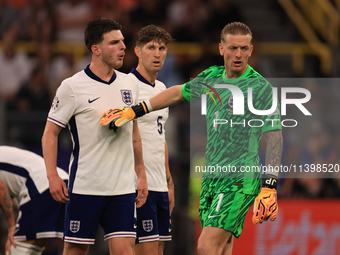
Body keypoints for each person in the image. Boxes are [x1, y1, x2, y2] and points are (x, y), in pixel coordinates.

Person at [101, 22, 283, 255]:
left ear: (251, 50)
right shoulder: (212, 77)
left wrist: (270, 186)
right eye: (233, 48)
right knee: (221, 248)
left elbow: (275, 138)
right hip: (212, 178)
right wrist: (136, 110)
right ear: (221, 48)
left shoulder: (260, 88)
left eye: (244, 48)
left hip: (238, 179)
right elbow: (177, 93)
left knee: (205, 247)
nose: (238, 54)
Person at [41, 18, 148, 255]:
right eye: (114, 42)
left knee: (125, 252)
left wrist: (141, 174)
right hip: (86, 187)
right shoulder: (72, 87)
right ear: (96, 49)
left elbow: (135, 133)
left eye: (122, 41)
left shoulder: (130, 84)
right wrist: (52, 175)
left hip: (122, 188)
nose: (123, 46)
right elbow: (50, 133)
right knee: (75, 252)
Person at [129, 25, 174, 255]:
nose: (157, 53)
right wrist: (138, 176)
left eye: (162, 48)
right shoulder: (127, 86)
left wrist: (169, 180)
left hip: (160, 185)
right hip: (138, 185)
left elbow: (161, 136)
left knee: (158, 249)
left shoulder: (163, 88)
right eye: (151, 47)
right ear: (137, 51)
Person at [0, 146, 68, 255]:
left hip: (41, 185)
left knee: (14, 249)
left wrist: (12, 226)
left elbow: (1, 188)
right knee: (32, 251)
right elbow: (8, 195)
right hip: (61, 182)